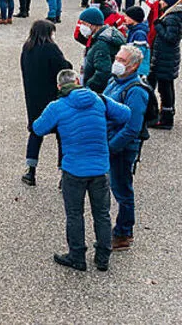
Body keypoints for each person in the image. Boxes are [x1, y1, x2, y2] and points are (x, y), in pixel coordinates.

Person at [32, 69, 129, 272]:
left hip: (74, 169)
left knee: (75, 214)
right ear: (77, 81)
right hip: (100, 168)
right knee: (102, 213)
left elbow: (38, 128)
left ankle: (77, 256)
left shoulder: (57, 106)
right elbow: (125, 114)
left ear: (59, 87)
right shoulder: (98, 99)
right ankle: (103, 256)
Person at [103, 44, 151, 252]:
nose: (117, 63)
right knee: (117, 185)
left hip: (122, 148)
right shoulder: (114, 81)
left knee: (122, 189)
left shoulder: (136, 91)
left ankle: (124, 232)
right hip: (110, 141)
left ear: (134, 66)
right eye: (117, 58)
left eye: (122, 61)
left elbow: (132, 128)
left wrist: (111, 147)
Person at [18, 20, 72, 186]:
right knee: (62, 135)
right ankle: (64, 173)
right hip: (52, 96)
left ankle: (31, 170)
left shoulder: (27, 48)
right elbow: (64, 67)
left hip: (33, 97)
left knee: (36, 131)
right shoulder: (51, 49)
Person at [149, 0, 182, 129]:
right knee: (166, 87)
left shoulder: (172, 18)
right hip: (166, 57)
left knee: (165, 89)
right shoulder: (172, 16)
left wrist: (159, 27)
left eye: (162, 0)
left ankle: (166, 117)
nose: (160, 2)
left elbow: (171, 37)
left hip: (166, 58)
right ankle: (166, 113)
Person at [77, 7, 126, 93]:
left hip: (97, 91)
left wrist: (88, 86)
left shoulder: (101, 44)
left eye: (84, 23)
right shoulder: (108, 34)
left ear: (92, 24)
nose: (81, 27)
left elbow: (103, 72)